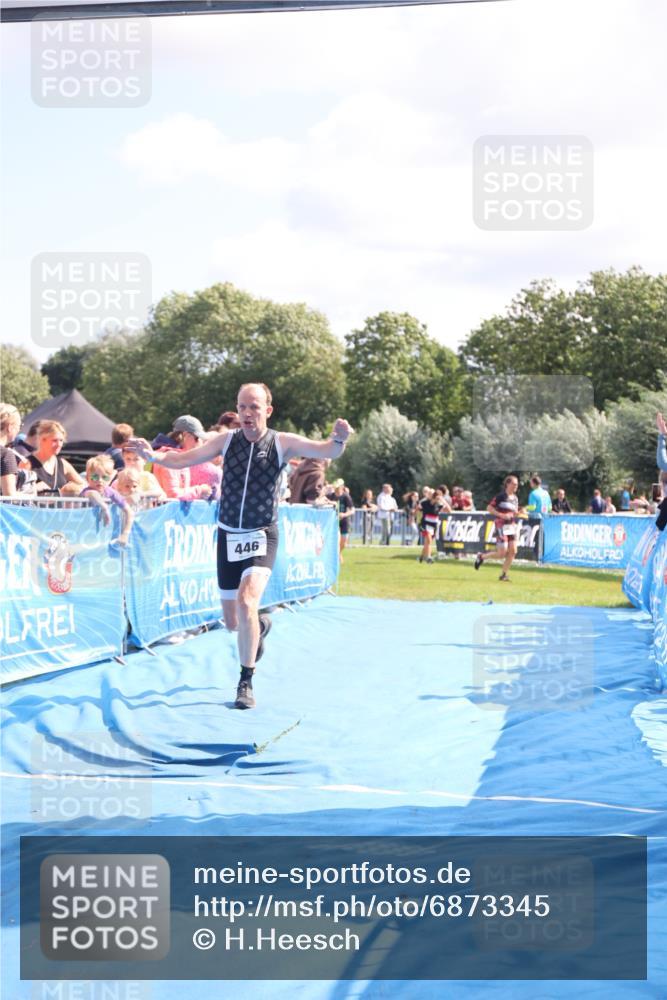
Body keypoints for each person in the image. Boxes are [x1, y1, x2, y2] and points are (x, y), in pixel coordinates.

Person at [129, 382, 353, 710]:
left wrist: (339, 439)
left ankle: (245, 680)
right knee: (233, 622)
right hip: (228, 534)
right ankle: (259, 626)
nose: (247, 414)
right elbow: (182, 460)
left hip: (262, 533)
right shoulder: (225, 441)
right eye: (242, 407)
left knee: (249, 600)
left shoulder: (281, 442)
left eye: (254, 407)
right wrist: (151, 455)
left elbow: (325, 451)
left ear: (268, 411)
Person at [473, 474, 527, 582]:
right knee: (502, 553)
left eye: (517, 485)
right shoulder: (501, 496)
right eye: (514, 484)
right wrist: (501, 515)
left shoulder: (515, 498)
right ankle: (482, 557)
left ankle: (504, 574)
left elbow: (514, 513)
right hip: (501, 525)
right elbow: (489, 508)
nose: (516, 486)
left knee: (513, 551)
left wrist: (521, 512)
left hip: (511, 526)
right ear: (507, 484)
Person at [152, 415, 212, 500]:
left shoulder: (171, 455)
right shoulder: (172, 458)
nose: (200, 443)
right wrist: (200, 490)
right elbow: (172, 495)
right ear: (186, 436)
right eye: (197, 438)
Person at [79, 455, 134, 545]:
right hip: (84, 532)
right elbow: (92, 494)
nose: (100, 480)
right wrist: (104, 507)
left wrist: (125, 534)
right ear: (87, 478)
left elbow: (129, 512)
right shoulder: (87, 491)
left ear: (110, 478)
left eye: (105, 477)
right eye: (95, 477)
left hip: (102, 535)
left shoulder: (110, 491)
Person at [26, 421, 83, 495]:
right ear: (43, 440)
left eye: (61, 440)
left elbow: (82, 485)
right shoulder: (27, 463)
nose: (59, 444)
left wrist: (69, 488)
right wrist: (35, 488)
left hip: (59, 506)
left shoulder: (62, 463)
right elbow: (17, 490)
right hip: (34, 506)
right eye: (54, 440)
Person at [0, 403, 21, 496]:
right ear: (10, 427)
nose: (18, 431)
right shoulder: (5, 455)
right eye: (19, 426)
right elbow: (9, 496)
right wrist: (32, 494)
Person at [418, 488, 443, 564]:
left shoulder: (438, 505)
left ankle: (422, 556)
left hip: (433, 526)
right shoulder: (424, 503)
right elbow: (418, 509)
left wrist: (443, 500)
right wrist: (415, 517)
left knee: (427, 542)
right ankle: (428, 558)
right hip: (425, 524)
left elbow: (449, 510)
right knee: (428, 540)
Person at [333, 479, 354, 561]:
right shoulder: (330, 496)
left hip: (344, 521)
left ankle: (339, 552)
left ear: (342, 487)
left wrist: (344, 514)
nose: (337, 488)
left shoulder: (346, 497)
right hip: (333, 521)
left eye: (338, 487)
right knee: (335, 540)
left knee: (344, 542)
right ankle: (336, 555)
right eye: (336, 487)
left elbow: (352, 510)